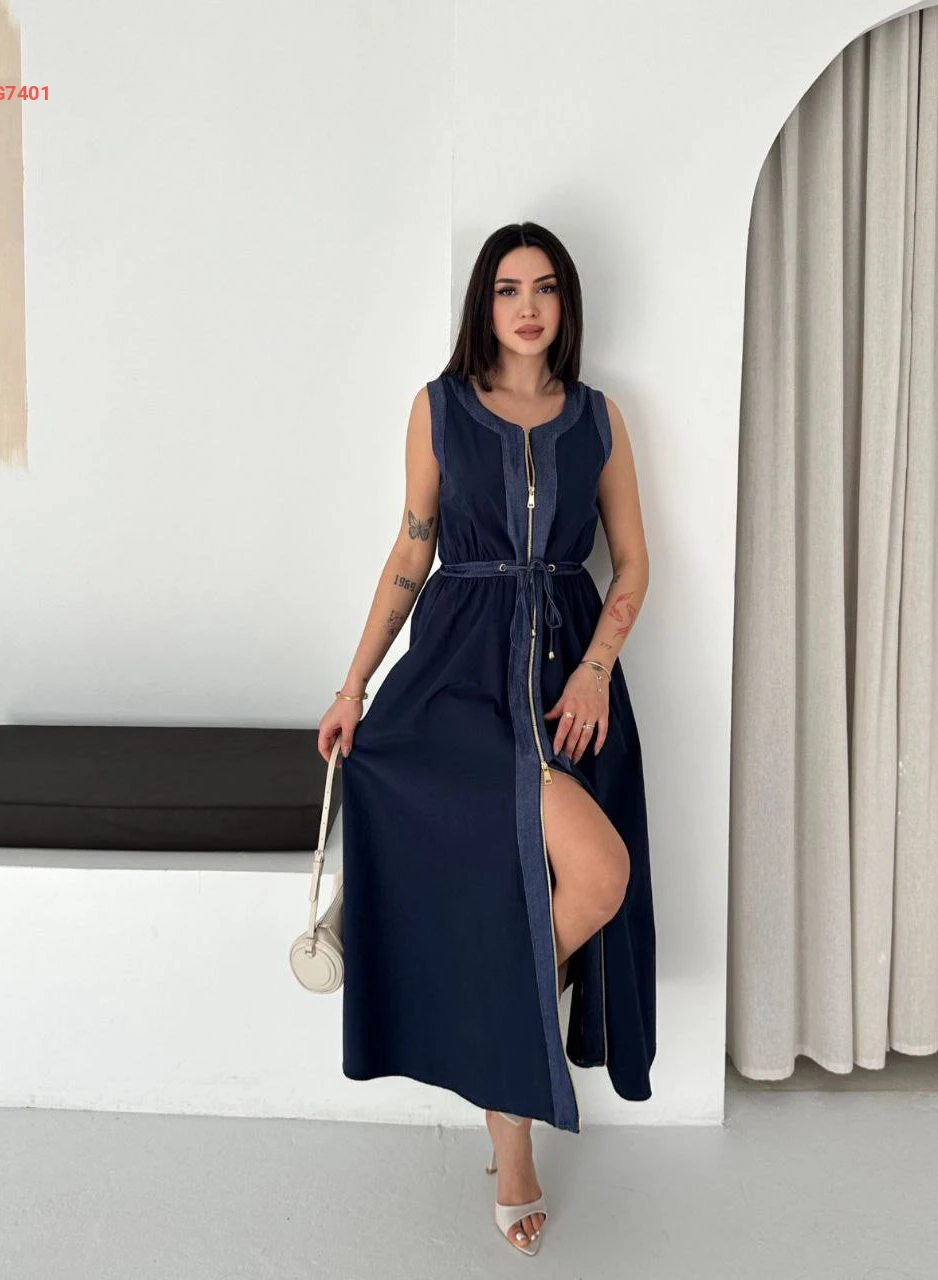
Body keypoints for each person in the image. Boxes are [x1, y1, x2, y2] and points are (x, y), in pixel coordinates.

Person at [318, 222, 656, 1256]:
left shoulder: (598, 418)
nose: (527, 306)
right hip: (454, 684)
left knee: (596, 876)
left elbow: (633, 563)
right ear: (484, 303)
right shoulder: (438, 408)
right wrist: (352, 684)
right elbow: (411, 552)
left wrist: (595, 667)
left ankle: (482, 1023)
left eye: (544, 287)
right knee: (525, 884)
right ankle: (512, 1145)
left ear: (565, 303)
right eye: (508, 288)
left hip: (562, 692)